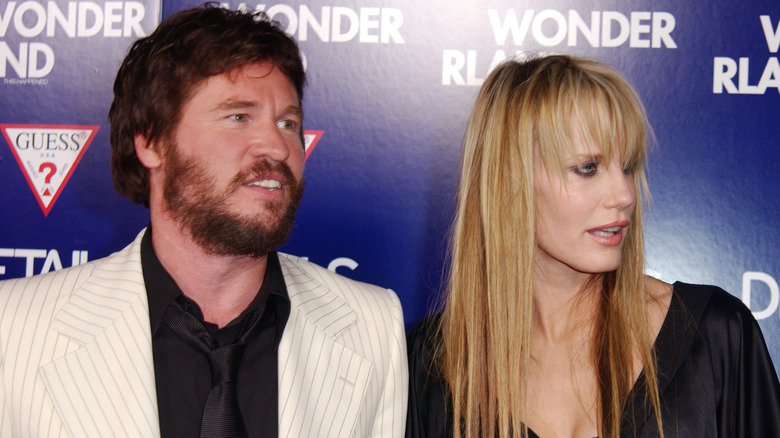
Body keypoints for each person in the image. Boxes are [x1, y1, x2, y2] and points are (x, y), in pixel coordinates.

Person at [0, 4, 407, 437]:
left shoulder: (372, 327)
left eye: (288, 123)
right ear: (152, 141)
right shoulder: (14, 327)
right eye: (238, 117)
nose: (277, 145)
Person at [406, 55, 780, 438]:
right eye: (587, 168)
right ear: (508, 182)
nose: (624, 195)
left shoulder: (716, 336)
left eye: (629, 166)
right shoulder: (433, 366)